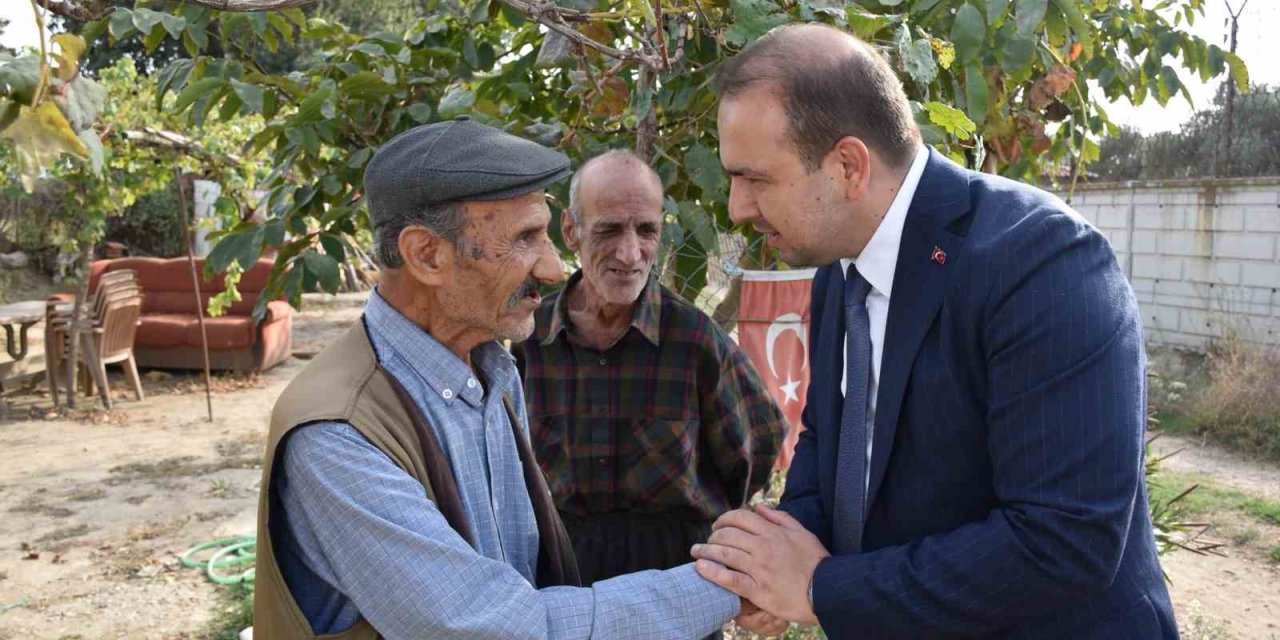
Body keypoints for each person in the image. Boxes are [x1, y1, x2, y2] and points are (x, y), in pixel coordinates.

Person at [690, 24, 1177, 639]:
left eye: (756, 179)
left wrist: (821, 589)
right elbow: (835, 442)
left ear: (848, 166)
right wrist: (777, 558)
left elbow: (1063, 539)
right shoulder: (839, 271)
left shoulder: (1041, 261)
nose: (737, 208)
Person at [254, 117, 742, 639]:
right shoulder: (339, 436)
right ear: (427, 255)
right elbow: (506, 629)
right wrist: (736, 584)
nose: (554, 269)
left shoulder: (491, 369)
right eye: (525, 238)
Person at [515, 150, 785, 589]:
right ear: (570, 231)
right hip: (564, 567)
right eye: (608, 230)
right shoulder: (532, 335)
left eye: (646, 230)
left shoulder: (693, 339)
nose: (630, 253)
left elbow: (758, 445)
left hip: (676, 570)